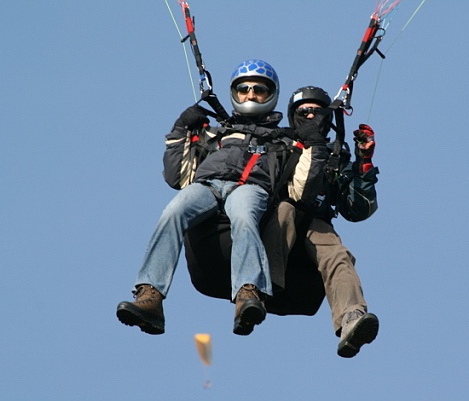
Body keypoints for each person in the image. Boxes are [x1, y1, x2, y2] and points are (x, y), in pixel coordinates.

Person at [116, 60, 327, 336]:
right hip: (207, 185)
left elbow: (301, 190)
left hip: (251, 188)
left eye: (259, 90)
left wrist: (314, 144)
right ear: (234, 93)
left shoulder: (285, 143)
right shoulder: (217, 133)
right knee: (173, 212)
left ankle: (248, 293)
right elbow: (177, 177)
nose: (251, 95)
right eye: (244, 89)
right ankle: (150, 295)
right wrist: (181, 128)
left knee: (244, 216)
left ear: (271, 95)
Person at [262, 86, 380, 358]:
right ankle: (258, 289)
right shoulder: (276, 144)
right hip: (278, 217)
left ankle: (351, 318)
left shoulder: (335, 157)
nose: (310, 116)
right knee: (285, 211)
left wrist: (363, 164)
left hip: (315, 223)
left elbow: (357, 210)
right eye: (304, 112)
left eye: (317, 112)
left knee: (338, 255)